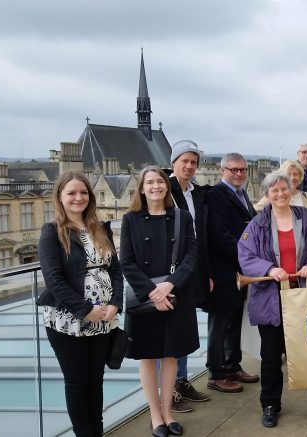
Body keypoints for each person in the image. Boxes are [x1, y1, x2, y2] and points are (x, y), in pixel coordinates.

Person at [238, 172, 307, 428]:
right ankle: (270, 404)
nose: (280, 194)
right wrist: (268, 269)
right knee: (271, 355)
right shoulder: (257, 223)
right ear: (266, 195)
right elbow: (245, 254)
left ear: (291, 191)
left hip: (303, 295)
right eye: (274, 190)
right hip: (270, 298)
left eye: (283, 189)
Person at [37, 171, 123, 437]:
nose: (78, 197)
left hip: (104, 318)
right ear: (60, 197)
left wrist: (116, 304)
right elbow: (53, 279)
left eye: (83, 192)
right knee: (77, 383)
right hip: (67, 320)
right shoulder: (53, 232)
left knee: (95, 381)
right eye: (71, 193)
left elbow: (116, 271)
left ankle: (96, 432)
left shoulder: (101, 228)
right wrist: (86, 310)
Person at [120, 166, 199, 437]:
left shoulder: (182, 217)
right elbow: (127, 263)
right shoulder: (130, 219)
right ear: (141, 188)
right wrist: (154, 292)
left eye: (160, 182)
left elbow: (191, 257)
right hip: (146, 298)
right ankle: (155, 416)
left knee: (170, 356)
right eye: (150, 182)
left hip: (176, 294)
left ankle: (168, 413)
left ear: (167, 186)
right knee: (148, 357)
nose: (156, 186)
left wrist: (169, 285)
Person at [204, 153, 260, 393]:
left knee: (234, 320)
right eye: (234, 169)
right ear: (222, 170)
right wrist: (246, 256)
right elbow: (219, 234)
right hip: (223, 269)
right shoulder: (216, 195)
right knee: (219, 324)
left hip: (238, 270)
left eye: (242, 170)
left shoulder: (241, 194)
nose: (239, 174)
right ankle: (216, 374)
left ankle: (232, 365)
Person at [166, 140, 211, 412]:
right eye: (184, 161)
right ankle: (169, 390)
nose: (189, 166)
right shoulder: (164, 188)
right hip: (170, 272)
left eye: (193, 162)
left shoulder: (194, 192)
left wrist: (204, 273)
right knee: (169, 331)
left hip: (192, 268)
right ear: (174, 163)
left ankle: (180, 381)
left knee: (182, 328)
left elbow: (199, 236)